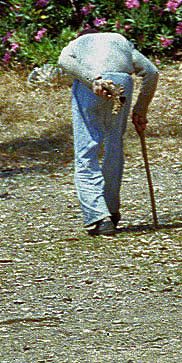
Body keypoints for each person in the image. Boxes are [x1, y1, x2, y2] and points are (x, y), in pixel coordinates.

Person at [57, 31, 159, 235]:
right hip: (122, 82)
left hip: (91, 86)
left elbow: (63, 60)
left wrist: (92, 80)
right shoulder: (120, 40)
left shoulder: (77, 43)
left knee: (87, 150)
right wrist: (141, 109)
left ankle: (98, 215)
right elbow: (152, 72)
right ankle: (111, 211)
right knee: (114, 145)